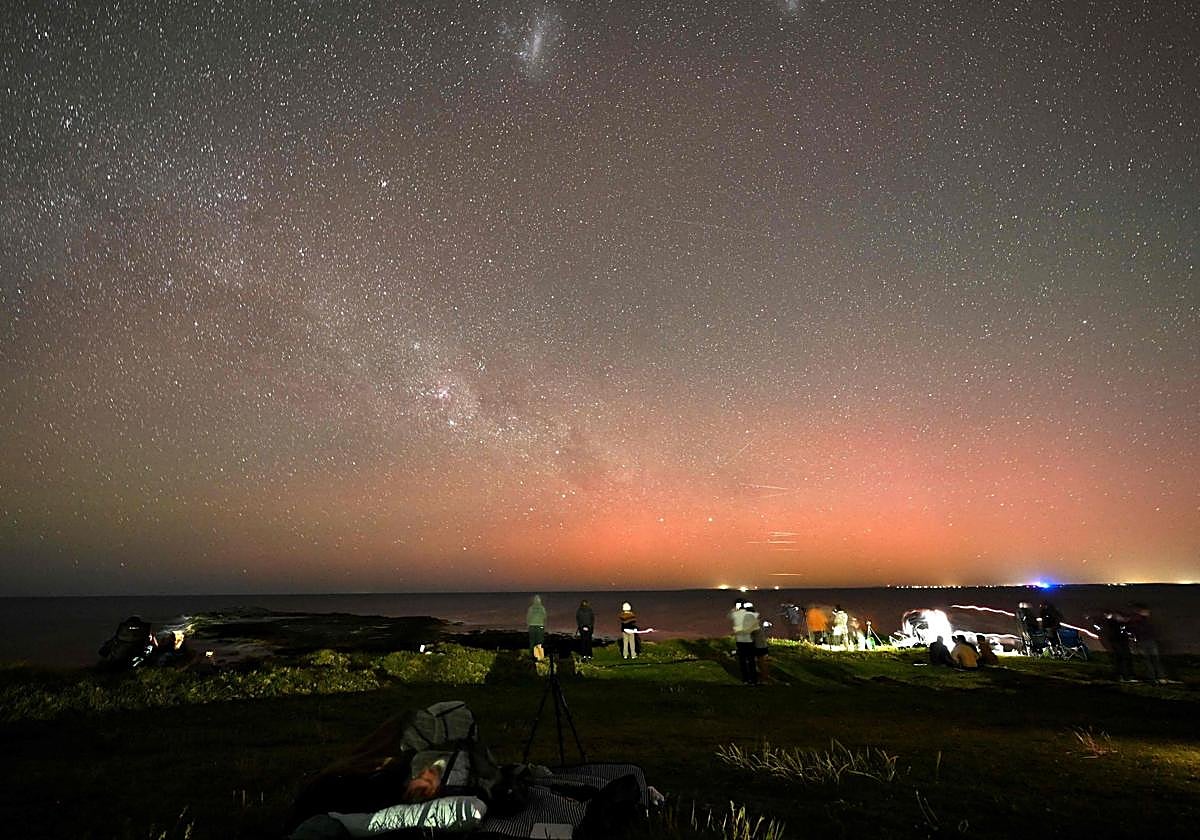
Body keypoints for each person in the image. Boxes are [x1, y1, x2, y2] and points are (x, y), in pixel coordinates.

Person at [1127, 604, 1166, 683]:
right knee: (1150, 660)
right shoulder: (1139, 621)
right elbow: (1134, 630)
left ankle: (1158, 677)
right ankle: (1155, 677)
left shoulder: (1141, 621)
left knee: (1152, 660)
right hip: (1145, 642)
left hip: (1148, 641)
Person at [1098, 610, 1134, 681]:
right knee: (1123, 659)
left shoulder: (1113, 623)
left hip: (1118, 643)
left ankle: (1121, 675)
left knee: (1119, 659)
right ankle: (1125, 676)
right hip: (1119, 643)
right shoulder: (1113, 624)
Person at [729, 600, 759, 684]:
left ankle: (745, 679)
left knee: (742, 661)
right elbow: (755, 628)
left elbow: (730, 616)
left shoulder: (736, 614)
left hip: (740, 641)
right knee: (751, 660)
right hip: (750, 640)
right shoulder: (751, 615)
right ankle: (753, 679)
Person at [750, 604, 770, 682]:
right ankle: (764, 676)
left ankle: (764, 677)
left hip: (759, 646)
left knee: (761, 662)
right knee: (761, 661)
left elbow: (752, 632)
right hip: (761, 644)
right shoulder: (757, 621)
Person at [526, 595, 547, 660]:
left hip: (532, 626)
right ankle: (539, 656)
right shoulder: (542, 608)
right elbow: (545, 617)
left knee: (532, 641)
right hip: (540, 626)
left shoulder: (531, 608)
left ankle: (532, 655)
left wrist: (528, 625)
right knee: (539, 641)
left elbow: (528, 617)